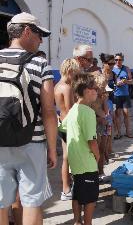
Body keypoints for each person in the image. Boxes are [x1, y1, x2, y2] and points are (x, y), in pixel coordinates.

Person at [0, 12, 57, 224]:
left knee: (1, 203)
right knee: (32, 201)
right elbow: (49, 111)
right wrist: (52, 149)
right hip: (31, 143)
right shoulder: (40, 65)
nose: (41, 39)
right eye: (39, 34)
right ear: (26, 31)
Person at [59, 72, 100, 225]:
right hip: (87, 163)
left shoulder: (74, 109)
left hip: (75, 163)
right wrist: (97, 157)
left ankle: (77, 221)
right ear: (88, 90)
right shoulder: (88, 113)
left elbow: (62, 127)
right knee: (90, 198)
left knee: (77, 194)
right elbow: (92, 141)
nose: (97, 92)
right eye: (96, 89)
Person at [54, 58, 80, 200]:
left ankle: (66, 188)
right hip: (69, 126)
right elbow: (71, 110)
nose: (76, 77)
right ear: (70, 71)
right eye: (75, 74)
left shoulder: (57, 85)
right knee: (68, 158)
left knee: (66, 157)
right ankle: (66, 188)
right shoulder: (67, 87)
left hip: (62, 124)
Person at [91, 74, 108, 182]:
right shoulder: (91, 97)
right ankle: (94, 173)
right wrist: (98, 119)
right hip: (94, 124)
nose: (103, 89)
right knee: (94, 151)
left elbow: (106, 111)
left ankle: (101, 171)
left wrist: (105, 100)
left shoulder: (102, 96)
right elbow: (87, 113)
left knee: (102, 149)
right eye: (101, 87)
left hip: (103, 124)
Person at [112, 53, 133, 139]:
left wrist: (125, 82)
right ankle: (118, 133)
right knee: (117, 114)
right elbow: (110, 82)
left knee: (126, 114)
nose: (118, 61)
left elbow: (131, 81)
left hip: (125, 95)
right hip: (116, 95)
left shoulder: (126, 68)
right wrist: (116, 83)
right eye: (116, 60)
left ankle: (128, 132)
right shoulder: (112, 69)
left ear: (122, 60)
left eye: (120, 60)